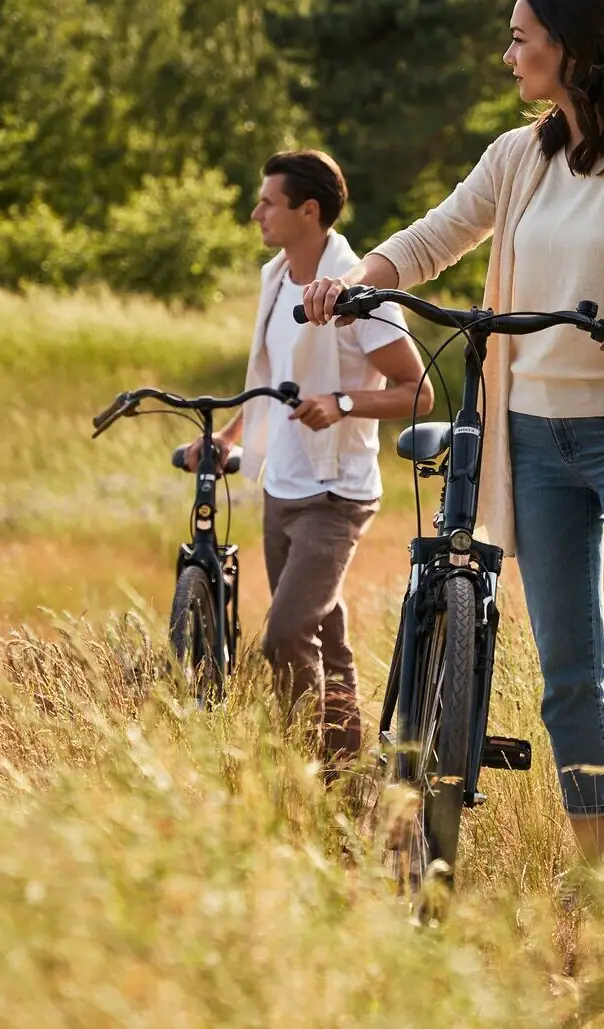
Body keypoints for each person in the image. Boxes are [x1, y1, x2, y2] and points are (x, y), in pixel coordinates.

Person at [299, 0, 604, 874]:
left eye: (521, 37)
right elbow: (438, 236)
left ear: (572, 46)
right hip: (532, 438)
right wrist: (358, 281)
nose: (508, 53)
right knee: (566, 668)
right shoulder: (519, 156)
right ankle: (595, 872)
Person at [190, 150, 433, 769]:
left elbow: (417, 390)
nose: (256, 213)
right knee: (324, 634)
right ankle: (346, 782)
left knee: (284, 635)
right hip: (283, 487)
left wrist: (344, 401)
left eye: (268, 202)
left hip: (335, 493)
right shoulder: (277, 276)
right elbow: (273, 376)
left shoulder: (358, 291)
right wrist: (232, 438)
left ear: (309, 210)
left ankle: (312, 771)